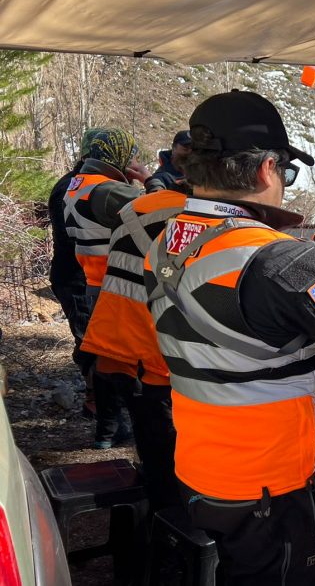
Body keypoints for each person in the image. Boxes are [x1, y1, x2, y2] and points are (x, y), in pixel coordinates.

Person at [143, 90, 315, 585]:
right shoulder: (283, 260)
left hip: (204, 466)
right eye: (285, 173)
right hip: (276, 482)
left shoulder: (166, 243)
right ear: (267, 169)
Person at [78, 183, 187, 507]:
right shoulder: (192, 216)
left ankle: (156, 514)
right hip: (151, 350)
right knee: (170, 454)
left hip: (118, 345)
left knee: (152, 443)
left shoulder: (137, 208)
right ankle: (170, 532)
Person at [63, 128, 150, 448]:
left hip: (94, 283)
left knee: (108, 361)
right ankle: (135, 429)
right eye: (131, 155)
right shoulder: (105, 190)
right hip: (116, 287)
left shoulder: (78, 183)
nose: (134, 161)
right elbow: (154, 210)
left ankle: (107, 431)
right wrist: (151, 181)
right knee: (133, 363)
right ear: (116, 156)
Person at [48, 128, 103, 405]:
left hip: (82, 274)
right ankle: (96, 402)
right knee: (88, 337)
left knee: (94, 335)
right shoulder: (72, 186)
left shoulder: (83, 183)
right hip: (75, 275)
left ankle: (100, 400)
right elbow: (77, 234)